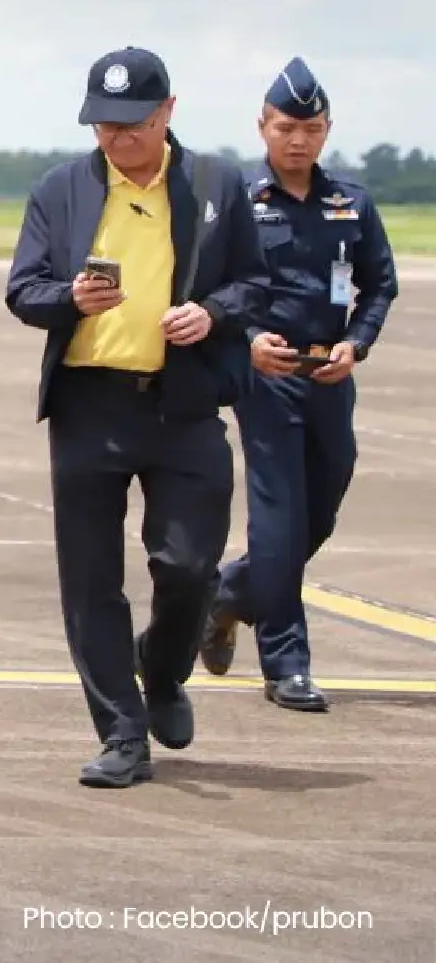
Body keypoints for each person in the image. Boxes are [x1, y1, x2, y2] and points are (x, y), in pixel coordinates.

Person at [5, 45, 268, 789]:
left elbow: (256, 284)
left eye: (130, 125)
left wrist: (210, 313)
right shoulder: (59, 191)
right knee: (90, 579)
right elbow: (24, 288)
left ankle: (163, 668)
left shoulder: (217, 185)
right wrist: (70, 300)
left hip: (181, 403)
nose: (115, 140)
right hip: (89, 405)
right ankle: (122, 732)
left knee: (188, 565)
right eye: (102, 126)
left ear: (167, 114)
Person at [201, 58, 398, 712]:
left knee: (323, 504)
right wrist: (248, 338)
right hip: (268, 376)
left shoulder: (352, 203)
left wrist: (357, 342)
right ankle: (287, 664)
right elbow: (210, 289)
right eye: (286, 126)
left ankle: (229, 592)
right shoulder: (237, 200)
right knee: (280, 519)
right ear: (263, 126)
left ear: (327, 130)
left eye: (311, 128)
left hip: (331, 375)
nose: (298, 140)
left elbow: (379, 283)